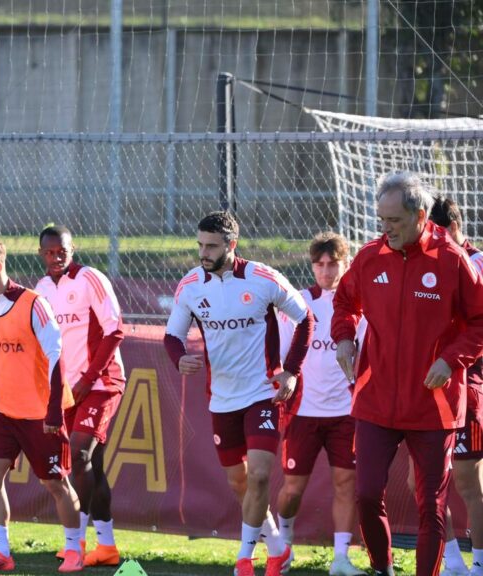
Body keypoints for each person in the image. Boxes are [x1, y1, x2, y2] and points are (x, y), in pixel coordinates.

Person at [333, 172, 483, 576]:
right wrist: (345, 338)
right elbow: (345, 303)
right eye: (381, 220)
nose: (385, 229)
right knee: (366, 494)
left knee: (430, 507)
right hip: (375, 400)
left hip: (433, 406)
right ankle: (382, 568)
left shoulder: (452, 260)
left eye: (394, 221)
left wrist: (450, 360)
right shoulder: (370, 256)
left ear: (420, 216)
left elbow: (479, 322)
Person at [164, 210, 313, 576]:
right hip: (222, 398)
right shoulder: (190, 285)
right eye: (200, 244)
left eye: (211, 246)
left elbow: (305, 318)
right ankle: (276, 547)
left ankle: (244, 559)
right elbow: (172, 336)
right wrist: (180, 358)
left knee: (260, 475)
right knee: (240, 482)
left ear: (232, 245)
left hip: (263, 392)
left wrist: (291, 371)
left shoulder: (262, 277)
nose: (203, 252)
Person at [0, 235, 83, 573]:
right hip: (4, 411)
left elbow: (56, 356)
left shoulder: (34, 303)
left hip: (40, 412)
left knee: (55, 483)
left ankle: (74, 549)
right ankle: (1, 551)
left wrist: (53, 409)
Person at [273, 232, 365, 576]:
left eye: (333, 264)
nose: (326, 271)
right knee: (293, 488)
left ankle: (341, 559)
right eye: (319, 264)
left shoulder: (360, 305)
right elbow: (282, 358)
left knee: (346, 484)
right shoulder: (298, 304)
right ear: (312, 266)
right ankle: (283, 543)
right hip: (303, 412)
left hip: (346, 413)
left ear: (345, 264)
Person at [401, 195, 483, 576]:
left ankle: (479, 563)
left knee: (467, 479)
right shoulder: (421, 263)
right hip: (424, 388)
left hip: (468, 385)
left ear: (451, 228)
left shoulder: (476, 263)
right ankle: (452, 561)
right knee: (421, 481)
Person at [34, 225, 126, 567]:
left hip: (101, 384)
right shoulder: (42, 288)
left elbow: (115, 329)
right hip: (67, 390)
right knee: (91, 466)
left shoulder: (90, 278)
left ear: (73, 250)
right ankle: (107, 547)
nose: (56, 257)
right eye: (49, 252)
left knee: (79, 452)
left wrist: (89, 379)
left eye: (62, 251)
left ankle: (77, 540)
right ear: (41, 253)